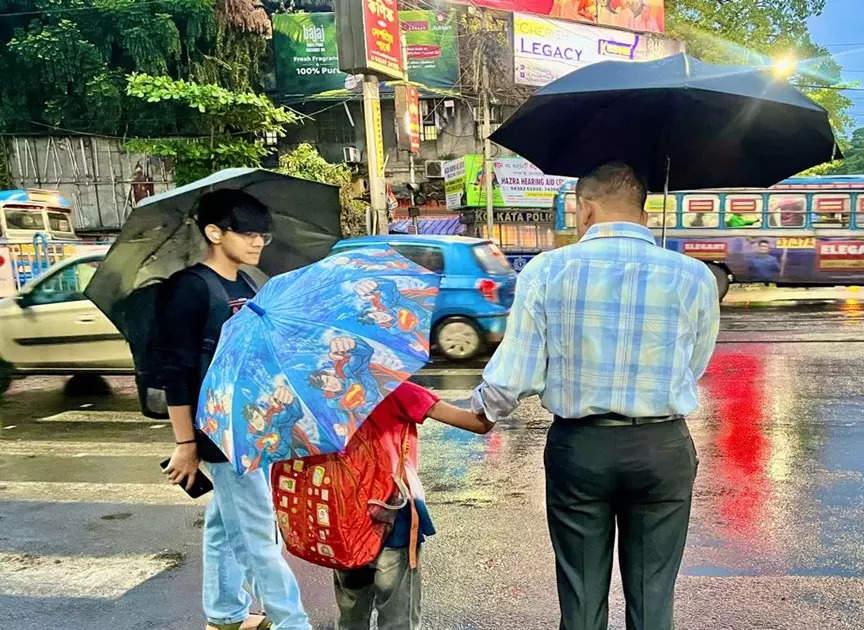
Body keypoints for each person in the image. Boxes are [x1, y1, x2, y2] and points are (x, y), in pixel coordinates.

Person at [471, 162, 721, 630]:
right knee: (653, 597)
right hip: (662, 446)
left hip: (580, 449)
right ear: (644, 212)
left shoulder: (547, 270)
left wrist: (481, 411)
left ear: (584, 209)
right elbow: (694, 365)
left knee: (581, 596)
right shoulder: (693, 276)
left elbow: (515, 372)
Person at [160, 189, 311, 630]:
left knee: (225, 524)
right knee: (259, 534)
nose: (257, 242)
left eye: (261, 234)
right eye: (247, 234)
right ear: (214, 232)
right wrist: (186, 444)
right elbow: (176, 372)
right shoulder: (189, 288)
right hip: (216, 430)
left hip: (251, 422)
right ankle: (291, 622)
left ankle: (225, 613)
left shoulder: (246, 282)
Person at [332, 381, 493, 630]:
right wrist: (499, 392)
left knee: (351, 616)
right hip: (391, 518)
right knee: (398, 618)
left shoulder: (319, 396)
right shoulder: (395, 390)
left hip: (342, 521)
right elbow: (478, 423)